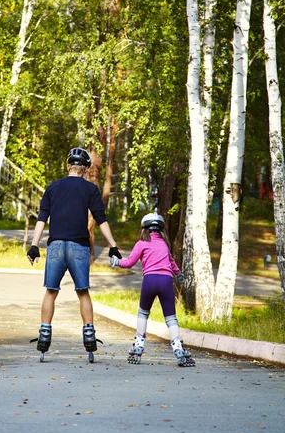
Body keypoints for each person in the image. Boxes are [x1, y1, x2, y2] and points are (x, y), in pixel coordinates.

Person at [27, 146, 121, 360]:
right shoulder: (90, 189)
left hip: (56, 246)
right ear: (85, 168)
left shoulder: (53, 187)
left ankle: (44, 336)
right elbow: (101, 219)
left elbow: (42, 218)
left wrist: (34, 245)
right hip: (79, 247)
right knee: (83, 292)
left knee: (51, 292)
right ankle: (89, 337)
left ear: (68, 165)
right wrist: (113, 246)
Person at [111, 212, 195, 367]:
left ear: (144, 229)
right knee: (171, 318)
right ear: (160, 230)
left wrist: (116, 262)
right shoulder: (164, 244)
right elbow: (171, 262)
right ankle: (177, 347)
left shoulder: (141, 244)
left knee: (143, 313)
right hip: (166, 281)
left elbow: (129, 262)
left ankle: (139, 345)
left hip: (149, 281)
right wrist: (179, 274)